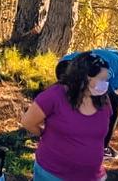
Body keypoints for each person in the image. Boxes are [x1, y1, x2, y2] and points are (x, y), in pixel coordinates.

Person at [23, 51, 112, 181]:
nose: (105, 84)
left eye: (106, 79)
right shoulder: (55, 96)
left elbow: (97, 138)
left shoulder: (103, 100)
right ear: (84, 78)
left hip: (90, 176)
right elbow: (28, 122)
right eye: (101, 79)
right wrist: (46, 134)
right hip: (52, 174)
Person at [57, 48, 118, 160]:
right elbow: (104, 84)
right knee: (111, 108)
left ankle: (58, 134)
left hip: (63, 65)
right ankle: (102, 149)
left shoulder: (113, 53)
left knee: (74, 101)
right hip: (81, 72)